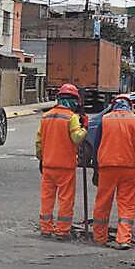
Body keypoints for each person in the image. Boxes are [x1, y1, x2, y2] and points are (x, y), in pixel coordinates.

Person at [88, 94, 135, 250]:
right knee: (127, 204)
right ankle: (123, 239)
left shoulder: (105, 119)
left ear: (114, 105)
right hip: (129, 167)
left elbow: (96, 146)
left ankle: (99, 237)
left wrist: (95, 169)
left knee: (102, 203)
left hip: (106, 167)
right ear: (130, 105)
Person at [35, 83, 88, 240]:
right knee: (65, 199)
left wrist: (41, 158)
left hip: (48, 165)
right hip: (65, 166)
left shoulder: (46, 117)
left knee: (47, 197)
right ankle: (62, 231)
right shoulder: (71, 118)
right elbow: (77, 138)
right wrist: (85, 127)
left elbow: (39, 142)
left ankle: (46, 229)